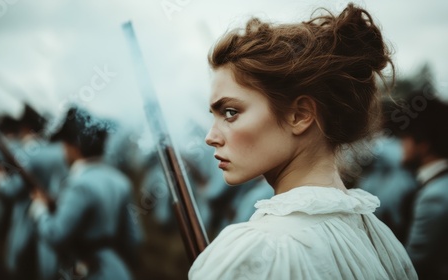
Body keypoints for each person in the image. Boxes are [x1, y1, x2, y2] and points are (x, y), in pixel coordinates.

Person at [189, 3, 417, 279]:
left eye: (230, 112)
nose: (210, 137)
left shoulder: (259, 249)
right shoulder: (378, 236)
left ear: (300, 115)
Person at [29, 107, 142, 280]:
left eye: (65, 145)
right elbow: (133, 238)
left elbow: (55, 235)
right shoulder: (121, 181)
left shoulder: (79, 185)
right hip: (116, 269)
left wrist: (40, 209)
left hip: (90, 270)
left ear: (74, 147)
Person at [392, 93, 448, 279]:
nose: (401, 145)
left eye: (405, 137)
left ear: (423, 144)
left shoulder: (435, 196)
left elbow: (411, 267)